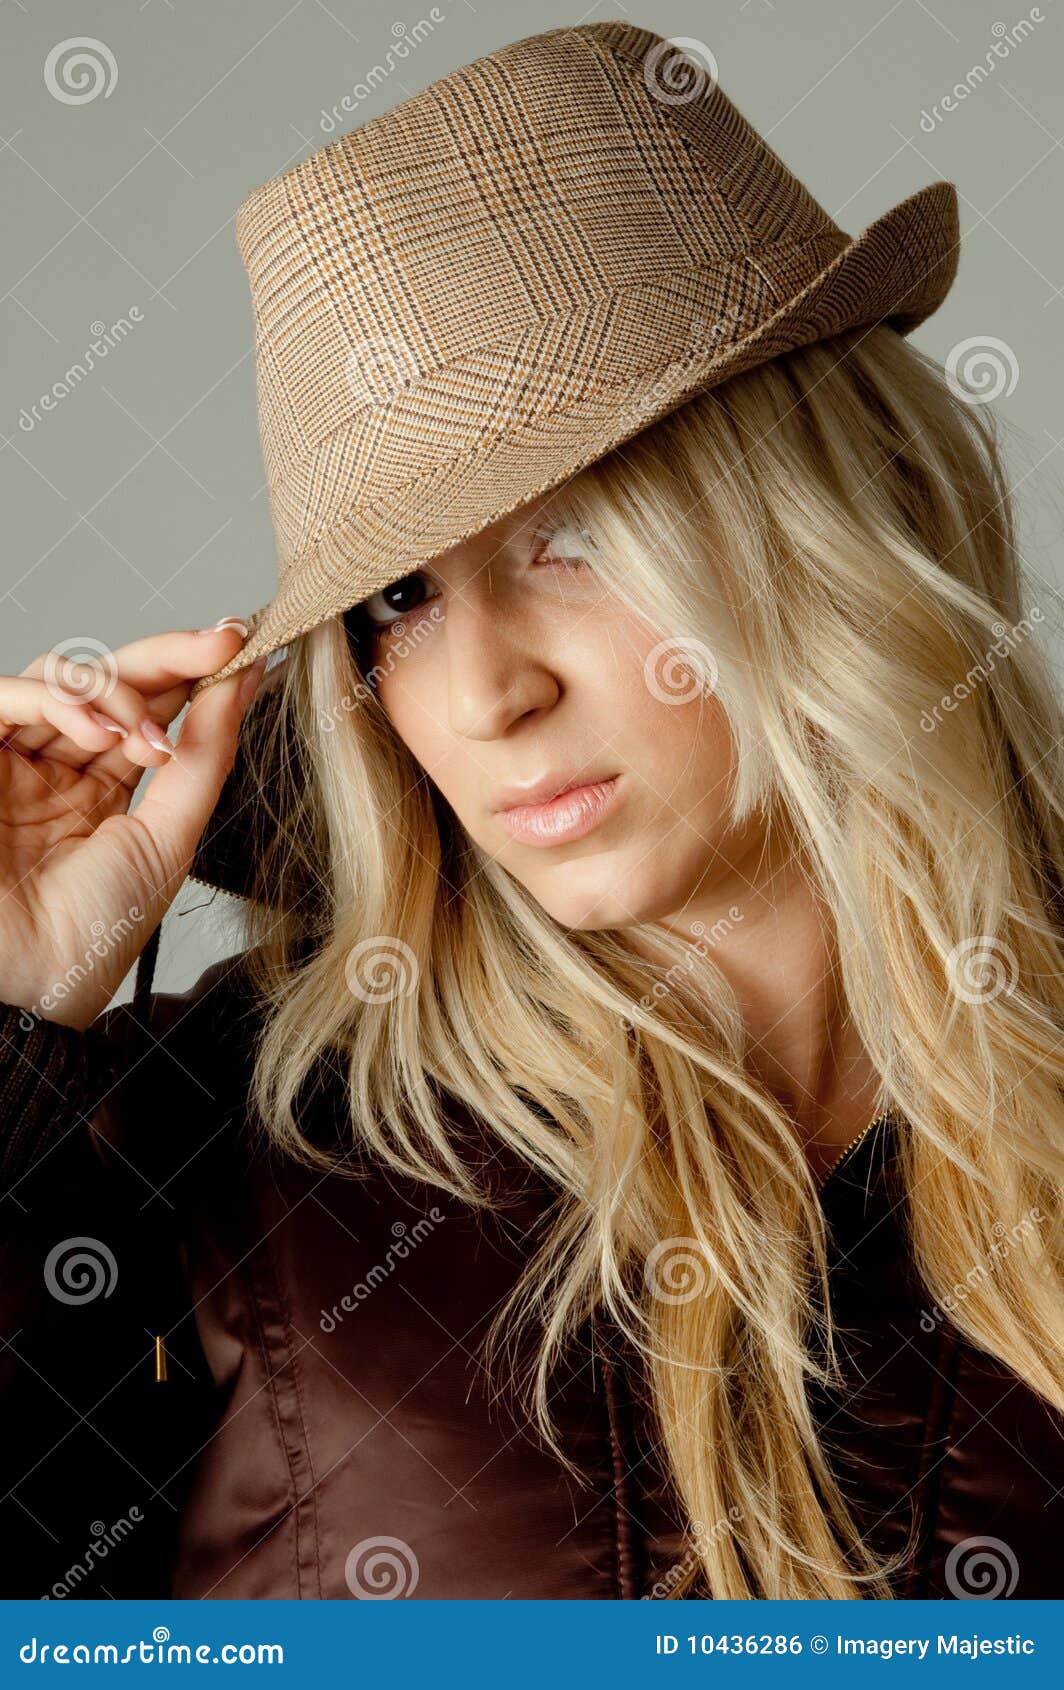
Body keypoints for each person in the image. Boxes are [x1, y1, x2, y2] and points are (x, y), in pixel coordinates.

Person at [2, 21, 1063, 1603]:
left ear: (831, 513)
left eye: (574, 536)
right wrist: (14, 1014)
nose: (488, 690)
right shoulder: (226, 1134)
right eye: (403, 601)